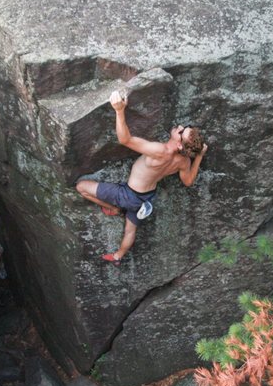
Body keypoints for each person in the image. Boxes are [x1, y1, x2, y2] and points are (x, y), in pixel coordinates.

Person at [76, 89, 208, 265]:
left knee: (81, 187)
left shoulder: (160, 151)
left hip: (128, 195)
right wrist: (199, 156)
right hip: (145, 199)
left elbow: (125, 140)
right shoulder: (183, 162)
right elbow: (188, 181)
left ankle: (114, 209)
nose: (180, 127)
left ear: (178, 144)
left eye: (181, 131)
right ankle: (118, 256)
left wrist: (119, 110)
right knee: (130, 231)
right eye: (185, 127)